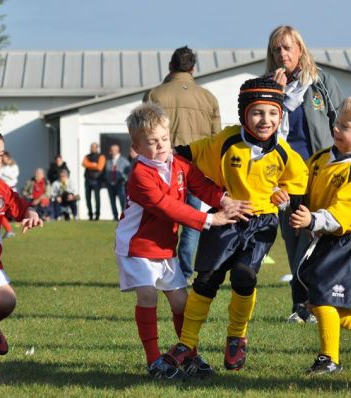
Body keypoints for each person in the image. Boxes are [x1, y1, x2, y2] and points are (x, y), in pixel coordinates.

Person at [163, 78, 308, 376]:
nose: (265, 120)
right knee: (206, 280)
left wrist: (284, 198)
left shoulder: (284, 152)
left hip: (261, 223)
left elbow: (296, 185)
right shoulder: (227, 140)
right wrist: (160, 153)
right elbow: (190, 152)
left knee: (244, 276)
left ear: (280, 116)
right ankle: (186, 343)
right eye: (257, 112)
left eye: (272, 113)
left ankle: (236, 337)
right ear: (244, 114)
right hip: (226, 218)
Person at [116, 102, 248, 380]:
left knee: (181, 304)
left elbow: (200, 184)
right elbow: (166, 207)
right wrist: (210, 220)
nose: (161, 145)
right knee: (148, 295)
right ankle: (154, 361)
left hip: (165, 249)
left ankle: (189, 355)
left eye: (165, 138)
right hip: (137, 247)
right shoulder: (140, 174)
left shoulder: (178, 164)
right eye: (152, 142)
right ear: (137, 148)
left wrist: (225, 200)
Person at [282, 94, 351, 374]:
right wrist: (284, 197)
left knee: (322, 299)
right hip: (326, 239)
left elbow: (340, 214)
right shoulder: (320, 158)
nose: (336, 128)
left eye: (345, 127)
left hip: (350, 242)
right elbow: (300, 188)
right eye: (338, 122)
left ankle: (329, 359)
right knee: (324, 302)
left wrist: (312, 220)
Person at [265, 25, 344, 323]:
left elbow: (343, 122)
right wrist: (275, 92)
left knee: (313, 240)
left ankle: (312, 304)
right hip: (284, 178)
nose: (282, 54)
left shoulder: (321, 82)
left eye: (288, 48)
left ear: (300, 49)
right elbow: (259, 128)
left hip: (318, 174)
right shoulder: (268, 85)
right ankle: (301, 305)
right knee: (291, 238)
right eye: (277, 50)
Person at [144, 46, 222, 281]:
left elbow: (144, 129)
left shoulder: (155, 94)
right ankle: (186, 272)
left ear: (170, 66)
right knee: (192, 220)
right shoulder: (208, 97)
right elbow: (216, 137)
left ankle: (160, 266)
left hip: (164, 163)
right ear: (193, 68)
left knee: (163, 216)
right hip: (196, 166)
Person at [0, 126, 42, 374]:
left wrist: (30, 213)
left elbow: (20, 207)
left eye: (0, 153)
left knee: (7, 302)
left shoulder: (0, 188)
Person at [103, 144, 131, 221]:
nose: (110, 152)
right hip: (110, 185)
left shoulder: (124, 161)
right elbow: (106, 172)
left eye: (112, 150)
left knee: (122, 200)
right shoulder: (108, 161)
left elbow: (128, 173)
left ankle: (123, 217)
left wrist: (123, 179)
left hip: (120, 184)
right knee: (112, 201)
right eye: (110, 150)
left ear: (117, 150)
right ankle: (115, 216)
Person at [82, 143, 105, 221]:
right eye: (91, 147)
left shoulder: (101, 156)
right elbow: (84, 163)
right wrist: (93, 164)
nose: (92, 148)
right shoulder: (87, 156)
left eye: (93, 147)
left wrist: (89, 165)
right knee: (88, 198)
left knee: (97, 198)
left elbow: (100, 167)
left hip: (96, 180)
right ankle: (90, 215)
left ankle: (97, 215)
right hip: (87, 179)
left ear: (97, 148)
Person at [0, 151, 19, 238]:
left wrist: (5, 173)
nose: (3, 159)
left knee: (15, 208)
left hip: (12, 190)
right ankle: (8, 230)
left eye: (5, 157)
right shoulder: (0, 167)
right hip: (3, 191)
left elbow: (13, 176)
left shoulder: (14, 166)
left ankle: (13, 226)